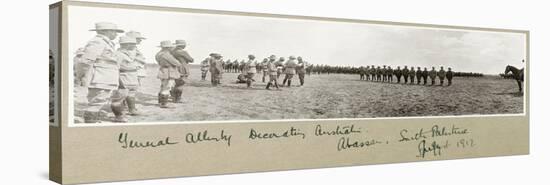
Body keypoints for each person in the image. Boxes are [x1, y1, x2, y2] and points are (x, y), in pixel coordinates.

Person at [81, 22, 126, 123]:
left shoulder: (106, 43)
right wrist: (82, 75)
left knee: (99, 100)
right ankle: (90, 123)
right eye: (114, 31)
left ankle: (91, 122)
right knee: (97, 101)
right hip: (99, 76)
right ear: (105, 31)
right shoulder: (98, 42)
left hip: (104, 76)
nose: (116, 34)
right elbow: (85, 61)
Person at [115, 36, 141, 117]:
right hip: (124, 77)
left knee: (131, 94)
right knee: (121, 95)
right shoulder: (118, 54)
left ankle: (132, 110)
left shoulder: (130, 53)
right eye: (133, 44)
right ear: (126, 45)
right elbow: (116, 67)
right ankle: (119, 115)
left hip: (132, 77)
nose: (134, 45)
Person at [155, 40, 181, 108]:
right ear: (167, 48)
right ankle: (164, 104)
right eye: (170, 47)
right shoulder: (166, 55)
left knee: (163, 86)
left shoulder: (158, 54)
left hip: (163, 70)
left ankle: (161, 102)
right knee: (167, 87)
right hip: (169, 72)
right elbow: (177, 63)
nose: (171, 48)